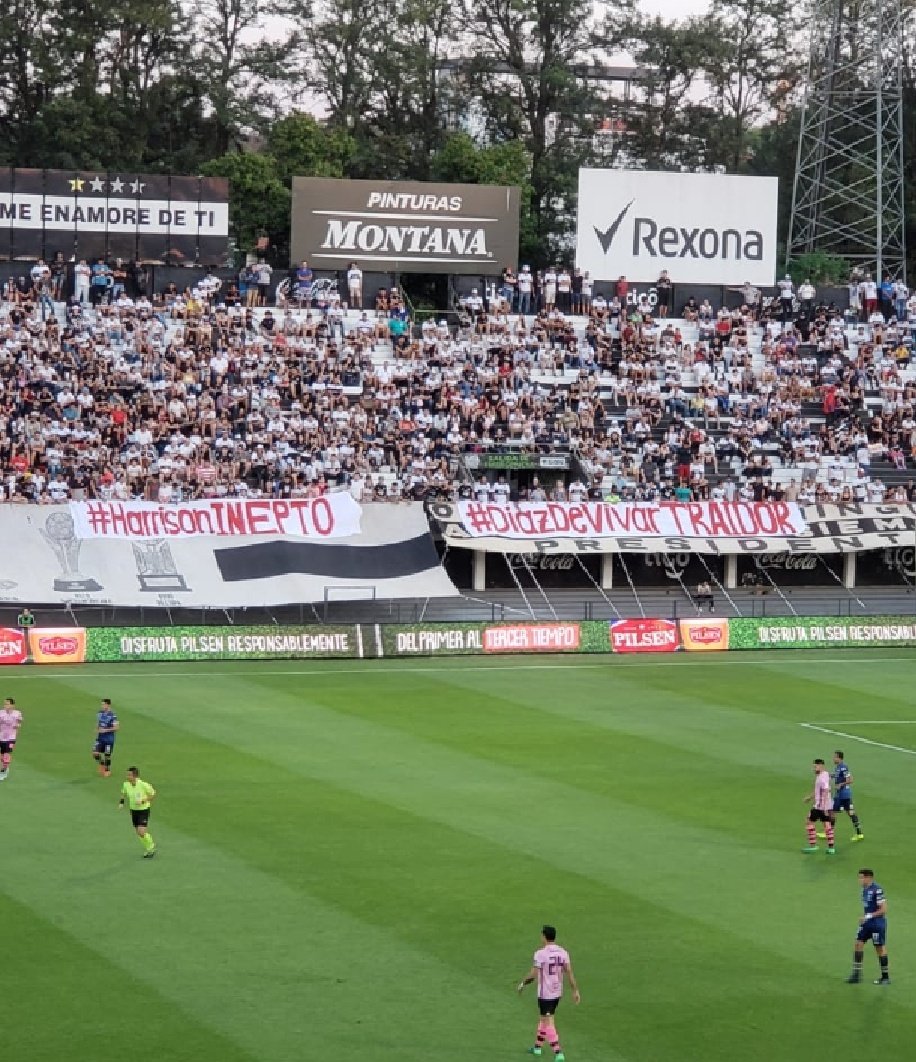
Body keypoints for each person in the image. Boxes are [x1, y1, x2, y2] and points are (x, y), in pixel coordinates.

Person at [517, 925, 580, 1061]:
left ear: (544, 937)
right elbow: (569, 972)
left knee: (549, 1021)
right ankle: (538, 1047)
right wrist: (575, 990)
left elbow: (533, 975)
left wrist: (523, 983)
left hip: (546, 994)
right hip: (557, 992)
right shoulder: (563, 952)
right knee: (544, 1019)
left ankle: (558, 1053)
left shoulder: (541, 954)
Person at [847, 868, 889, 984]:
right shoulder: (864, 890)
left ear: (868, 878)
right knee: (858, 943)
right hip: (867, 923)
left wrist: (868, 916)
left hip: (877, 923)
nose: (859, 880)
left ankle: (885, 977)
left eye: (861, 877)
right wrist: (865, 918)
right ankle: (856, 975)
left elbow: (884, 909)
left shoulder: (877, 890)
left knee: (879, 948)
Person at [119, 766, 157, 858]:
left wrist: (143, 801)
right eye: (127, 774)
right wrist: (121, 803)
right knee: (138, 832)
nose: (127, 776)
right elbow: (123, 793)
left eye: (129, 775)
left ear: (135, 776)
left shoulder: (143, 785)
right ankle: (149, 849)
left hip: (143, 810)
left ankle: (151, 846)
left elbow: (153, 794)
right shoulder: (126, 784)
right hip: (133, 810)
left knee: (141, 831)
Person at [803, 757, 836, 854]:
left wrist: (824, 807)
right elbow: (819, 790)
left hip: (820, 806)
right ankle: (831, 848)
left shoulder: (821, 778)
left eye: (816, 766)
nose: (814, 768)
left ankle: (813, 845)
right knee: (827, 825)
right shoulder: (825, 774)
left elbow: (825, 791)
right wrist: (809, 797)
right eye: (813, 766)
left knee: (809, 821)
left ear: (821, 766)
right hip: (827, 805)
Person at [832, 750, 864, 841]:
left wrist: (840, 785)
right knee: (849, 812)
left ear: (839, 758)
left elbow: (850, 780)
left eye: (835, 757)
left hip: (842, 795)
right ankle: (859, 834)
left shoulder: (843, 767)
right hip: (843, 795)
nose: (833, 759)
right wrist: (831, 775)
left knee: (833, 812)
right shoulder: (838, 768)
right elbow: (839, 776)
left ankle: (829, 832)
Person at [93, 697, 119, 778]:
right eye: (102, 704)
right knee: (95, 753)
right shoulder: (99, 713)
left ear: (108, 705)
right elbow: (98, 722)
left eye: (104, 704)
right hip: (100, 738)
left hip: (109, 740)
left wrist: (105, 730)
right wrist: (96, 729)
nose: (102, 706)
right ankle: (102, 764)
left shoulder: (113, 716)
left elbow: (116, 728)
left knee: (107, 755)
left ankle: (107, 770)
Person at [0, 697, 23, 780]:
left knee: (7, 753)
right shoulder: (1, 713)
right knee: (2, 754)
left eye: (7, 704)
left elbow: (19, 721)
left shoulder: (17, 713)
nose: (5, 705)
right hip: (1, 736)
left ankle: (4, 770)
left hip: (11, 737)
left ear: (12, 705)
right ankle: (5, 767)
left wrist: (17, 726)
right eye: (5, 704)